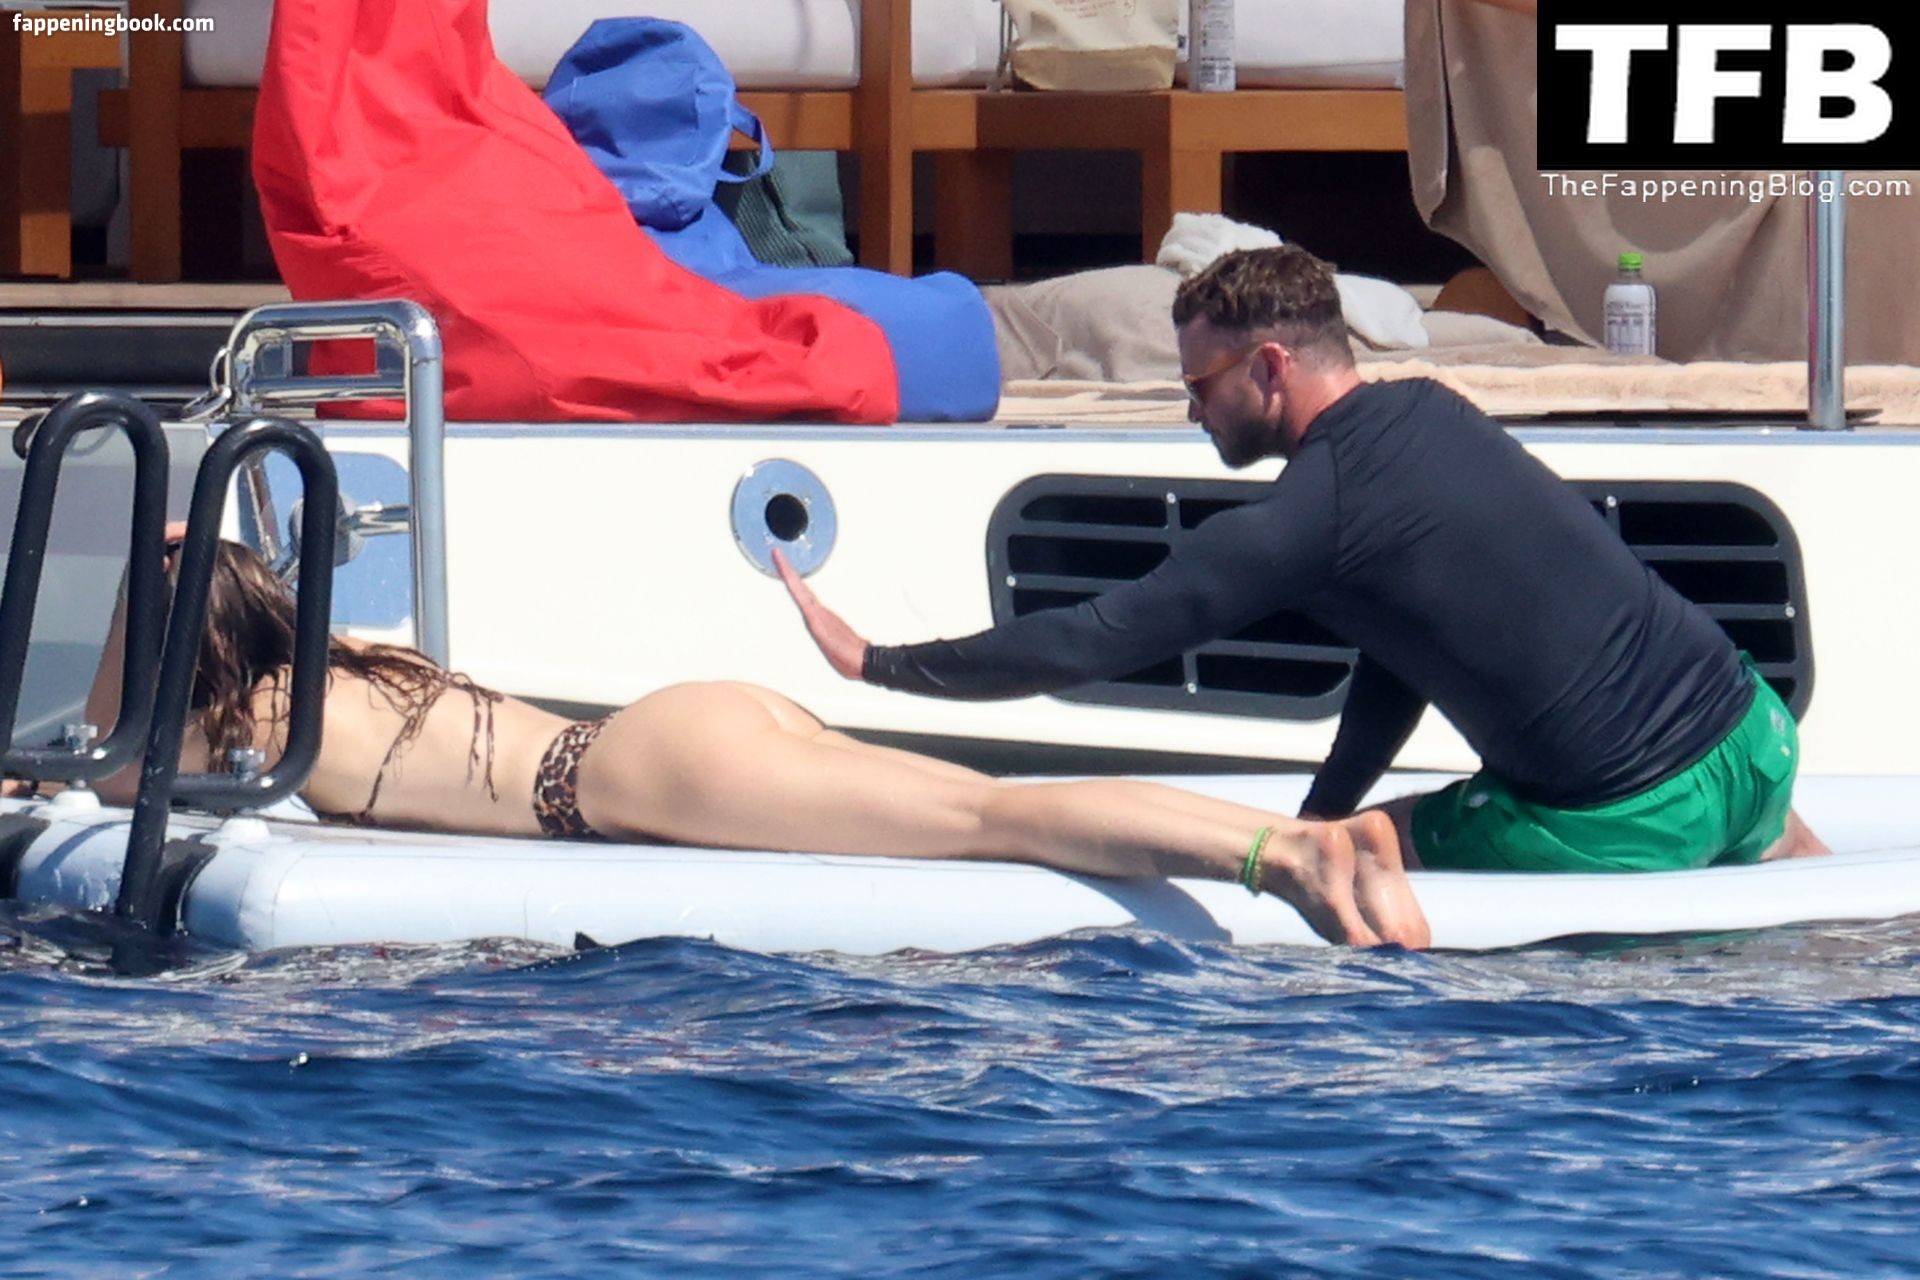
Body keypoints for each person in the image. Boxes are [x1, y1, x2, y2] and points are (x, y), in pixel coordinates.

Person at [777, 244, 1828, 875]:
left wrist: (879, 663)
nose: (1192, 408)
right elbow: (1406, 644)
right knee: (1335, 827)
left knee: (1339, 863)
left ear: (1271, 366)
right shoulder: (1432, 411)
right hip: (1752, 739)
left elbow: (1099, 638)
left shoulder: (1308, 515)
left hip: (1622, 819)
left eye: (1200, 384)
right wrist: (1328, 797)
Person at [45, 529, 1427, 949]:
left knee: (987, 818)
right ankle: (1304, 838)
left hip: (642, 775)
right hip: (674, 733)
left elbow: (103, 758)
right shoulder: (332, 665)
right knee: (979, 797)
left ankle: (1285, 856)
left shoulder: (248, 722)